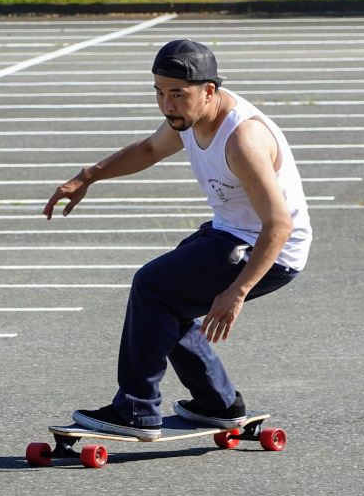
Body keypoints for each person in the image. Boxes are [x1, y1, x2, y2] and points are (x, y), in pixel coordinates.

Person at [42, 39, 312, 440]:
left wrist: (237, 292)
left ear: (209, 91)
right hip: (231, 232)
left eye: (177, 95)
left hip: (269, 249)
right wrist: (89, 175)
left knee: (152, 286)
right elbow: (150, 149)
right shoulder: (189, 118)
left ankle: (135, 410)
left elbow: (279, 225)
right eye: (159, 93)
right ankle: (218, 404)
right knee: (167, 302)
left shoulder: (242, 140)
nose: (167, 105)